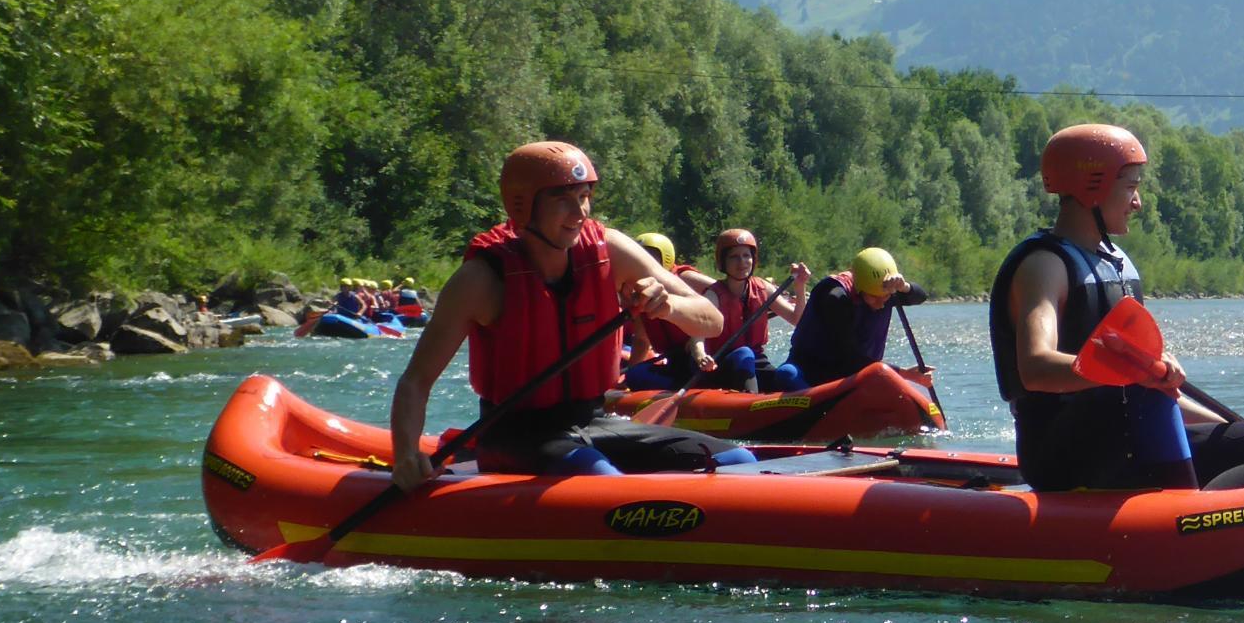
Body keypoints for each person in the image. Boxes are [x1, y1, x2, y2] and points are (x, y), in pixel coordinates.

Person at [387, 140, 752, 487]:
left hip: (593, 420)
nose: (579, 213)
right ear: (523, 206)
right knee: (603, 480)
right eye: (563, 200)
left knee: (739, 463)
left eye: (583, 198)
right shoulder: (482, 280)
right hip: (514, 433)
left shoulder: (610, 250)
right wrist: (406, 455)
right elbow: (416, 382)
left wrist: (669, 306)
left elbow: (711, 319)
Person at [989, 123, 1244, 492]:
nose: (1137, 203)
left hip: (1131, 439)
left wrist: (1222, 425)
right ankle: (1186, 525)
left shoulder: (1115, 263)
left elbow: (1154, 393)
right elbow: (1035, 367)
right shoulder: (1045, 265)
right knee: (1138, 385)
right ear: (1094, 188)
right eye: (1131, 188)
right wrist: (1129, 372)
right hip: (1065, 457)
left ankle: (1196, 517)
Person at [784, 246, 931, 386]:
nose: (881, 303)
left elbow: (920, 296)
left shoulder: (885, 290)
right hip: (812, 368)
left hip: (858, 372)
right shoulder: (835, 297)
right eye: (874, 297)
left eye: (885, 297)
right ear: (859, 289)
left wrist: (903, 286)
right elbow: (849, 359)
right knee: (785, 375)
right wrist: (904, 374)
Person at [692, 228, 810, 392]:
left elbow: (797, 320)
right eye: (734, 257)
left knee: (787, 374)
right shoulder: (713, 295)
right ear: (723, 262)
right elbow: (697, 337)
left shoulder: (763, 288)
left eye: (746, 256)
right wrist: (701, 356)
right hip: (722, 366)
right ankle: (752, 402)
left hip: (757, 363)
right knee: (744, 354)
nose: (742, 262)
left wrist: (800, 287)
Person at [621, 231, 716, 390]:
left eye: (650, 257)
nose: (643, 263)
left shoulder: (685, 278)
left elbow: (720, 290)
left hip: (701, 357)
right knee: (634, 376)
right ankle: (680, 391)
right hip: (675, 361)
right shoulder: (642, 293)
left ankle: (701, 387)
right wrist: (629, 377)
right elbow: (641, 340)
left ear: (666, 258)